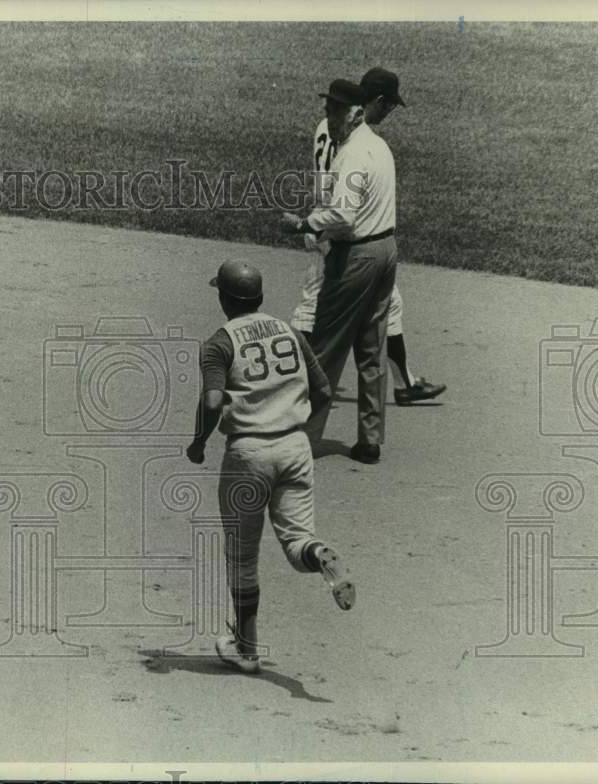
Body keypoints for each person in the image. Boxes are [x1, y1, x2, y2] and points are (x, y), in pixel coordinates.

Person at [186, 259, 355, 675]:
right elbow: (325, 388)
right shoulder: (290, 331)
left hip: (249, 455)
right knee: (298, 542)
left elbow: (211, 402)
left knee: (242, 556)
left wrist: (200, 441)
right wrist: (296, 426)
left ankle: (247, 649)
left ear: (225, 299)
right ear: (259, 298)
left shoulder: (218, 344)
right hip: (296, 448)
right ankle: (321, 556)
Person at [290, 68, 446, 409]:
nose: (388, 113)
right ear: (374, 102)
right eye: (387, 106)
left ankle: (406, 383)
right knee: (308, 312)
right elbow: (345, 196)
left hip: (333, 224)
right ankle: (283, 380)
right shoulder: (352, 137)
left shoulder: (333, 124)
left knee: (390, 304)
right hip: (333, 230)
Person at [281, 77, 401, 465]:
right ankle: (369, 441)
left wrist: (304, 224)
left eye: (335, 111)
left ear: (355, 114)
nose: (328, 117)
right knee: (371, 349)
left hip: (357, 257)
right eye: (326, 109)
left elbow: (344, 215)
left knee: (325, 350)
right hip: (386, 251)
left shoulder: (351, 153)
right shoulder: (379, 146)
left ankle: (303, 439)